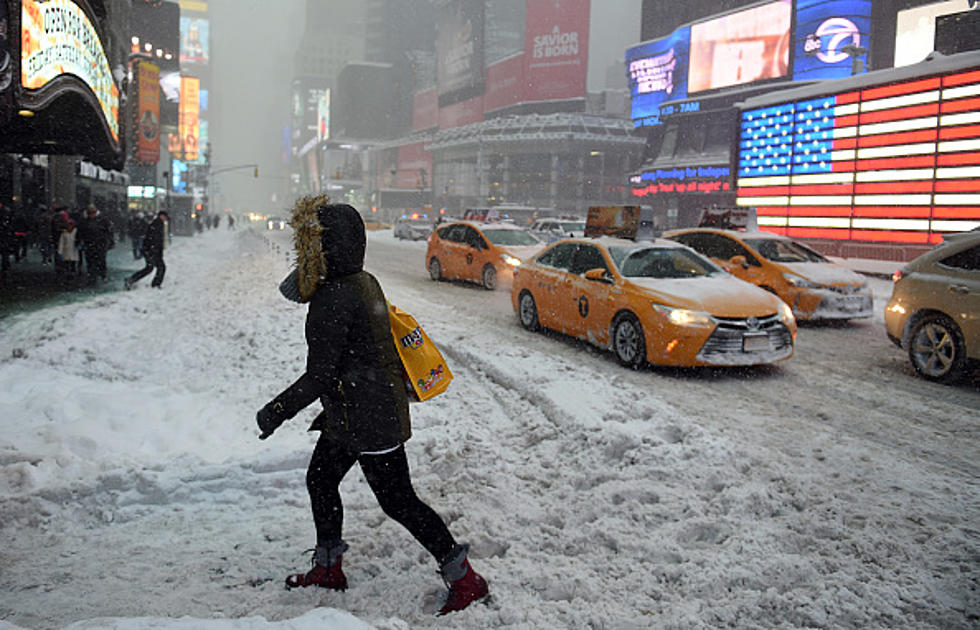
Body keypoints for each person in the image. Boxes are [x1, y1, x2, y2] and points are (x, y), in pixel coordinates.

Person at [254, 198, 488, 616]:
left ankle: (464, 578)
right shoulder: (360, 280)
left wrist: (276, 411)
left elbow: (320, 376)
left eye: (310, 243)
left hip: (370, 417)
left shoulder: (334, 298)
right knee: (321, 480)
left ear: (325, 248)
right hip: (353, 412)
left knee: (398, 501)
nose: (305, 250)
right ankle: (329, 569)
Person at [125, 210, 167, 290]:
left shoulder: (157, 224)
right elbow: (155, 239)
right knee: (157, 267)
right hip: (152, 251)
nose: (165, 219)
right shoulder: (157, 224)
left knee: (151, 268)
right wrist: (155, 251)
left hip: (150, 250)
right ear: (161, 216)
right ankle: (154, 284)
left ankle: (132, 279)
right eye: (165, 217)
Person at [77, 204, 114, 285]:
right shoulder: (85, 221)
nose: (91, 215)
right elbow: (80, 232)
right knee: (90, 261)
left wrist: (110, 241)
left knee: (100, 260)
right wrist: (79, 241)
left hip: (100, 244)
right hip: (89, 244)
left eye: (92, 213)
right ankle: (92, 277)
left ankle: (101, 275)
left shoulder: (103, 220)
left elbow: (109, 231)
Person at [57, 220, 80, 285]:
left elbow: (79, 240)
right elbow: (61, 243)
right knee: (66, 265)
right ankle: (68, 277)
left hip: (73, 251)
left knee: (73, 264)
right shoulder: (64, 233)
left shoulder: (76, 232)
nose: (69, 227)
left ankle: (73, 276)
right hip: (66, 251)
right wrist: (60, 252)